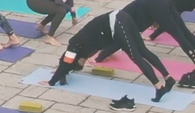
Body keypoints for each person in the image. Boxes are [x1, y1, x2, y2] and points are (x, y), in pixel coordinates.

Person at [46, 10, 176, 103]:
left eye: (81, 63)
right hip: (121, 18)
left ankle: (159, 87)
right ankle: (168, 78)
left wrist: (52, 81)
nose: (84, 62)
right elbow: (67, 64)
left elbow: (65, 62)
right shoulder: (84, 51)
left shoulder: (74, 45)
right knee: (143, 51)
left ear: (77, 59)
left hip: (116, 23)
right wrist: (63, 71)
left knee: (137, 57)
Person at [94, 0, 195, 73]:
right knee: (183, 30)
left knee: (178, 34)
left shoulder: (120, 23)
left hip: (154, 6)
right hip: (161, 0)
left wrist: (100, 57)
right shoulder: (124, 16)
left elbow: (119, 41)